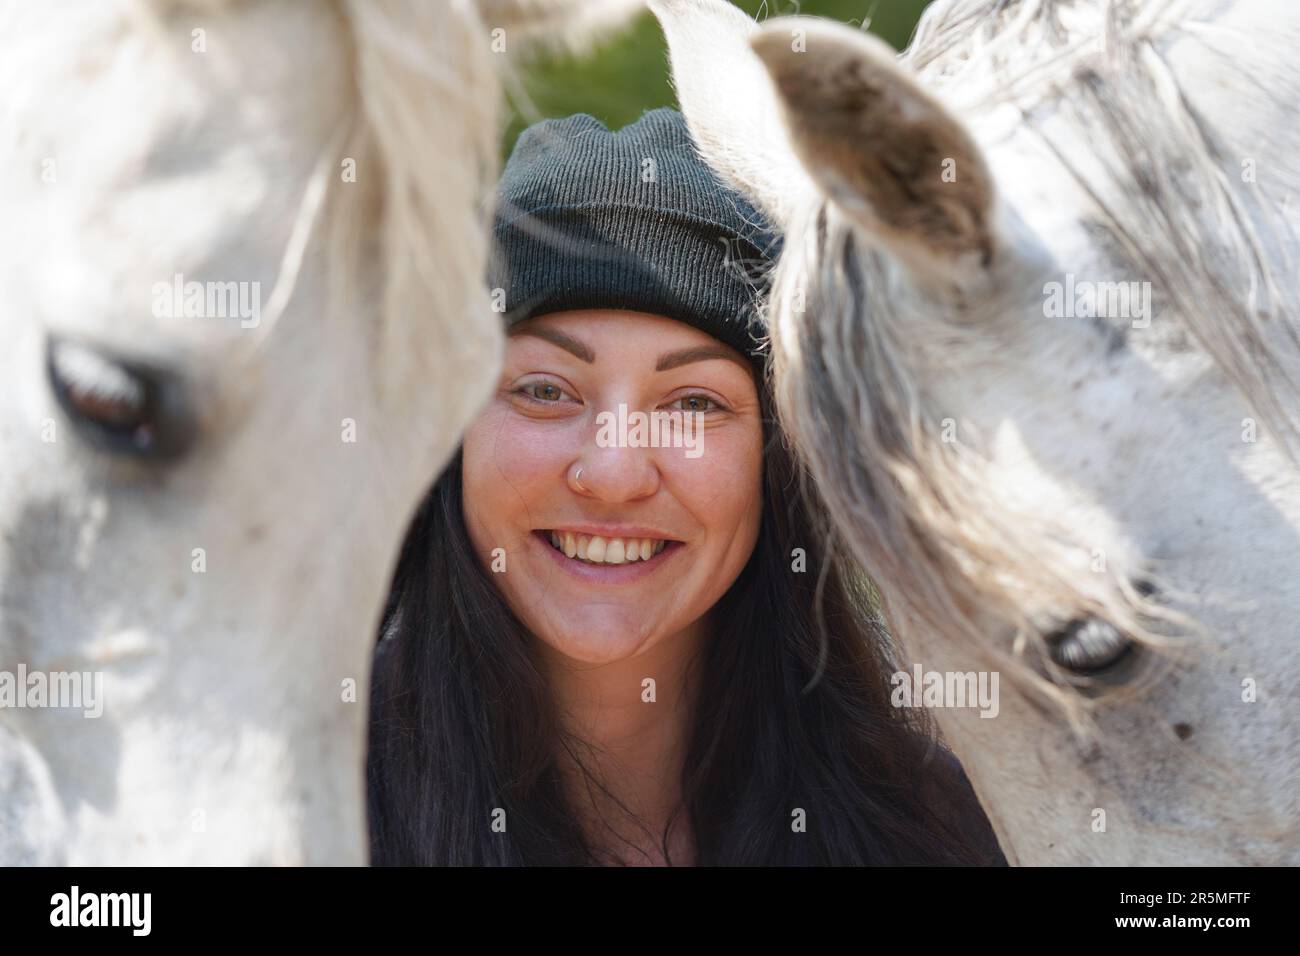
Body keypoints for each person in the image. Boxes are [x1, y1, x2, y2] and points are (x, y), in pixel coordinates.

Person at [366, 108, 1006, 866]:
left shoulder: (942, 827)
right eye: (545, 390)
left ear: (783, 460)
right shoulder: (277, 807)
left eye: (694, 404)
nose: (612, 473)